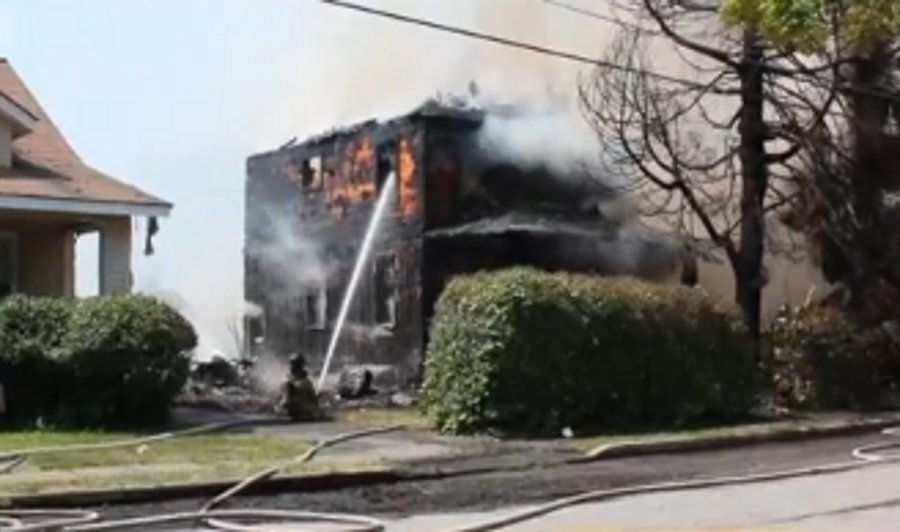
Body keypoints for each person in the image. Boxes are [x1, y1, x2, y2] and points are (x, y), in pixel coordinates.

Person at [279, 353, 322, 422]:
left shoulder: (304, 381)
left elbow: (313, 397)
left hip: (300, 407)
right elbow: (313, 398)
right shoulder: (289, 381)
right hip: (297, 408)